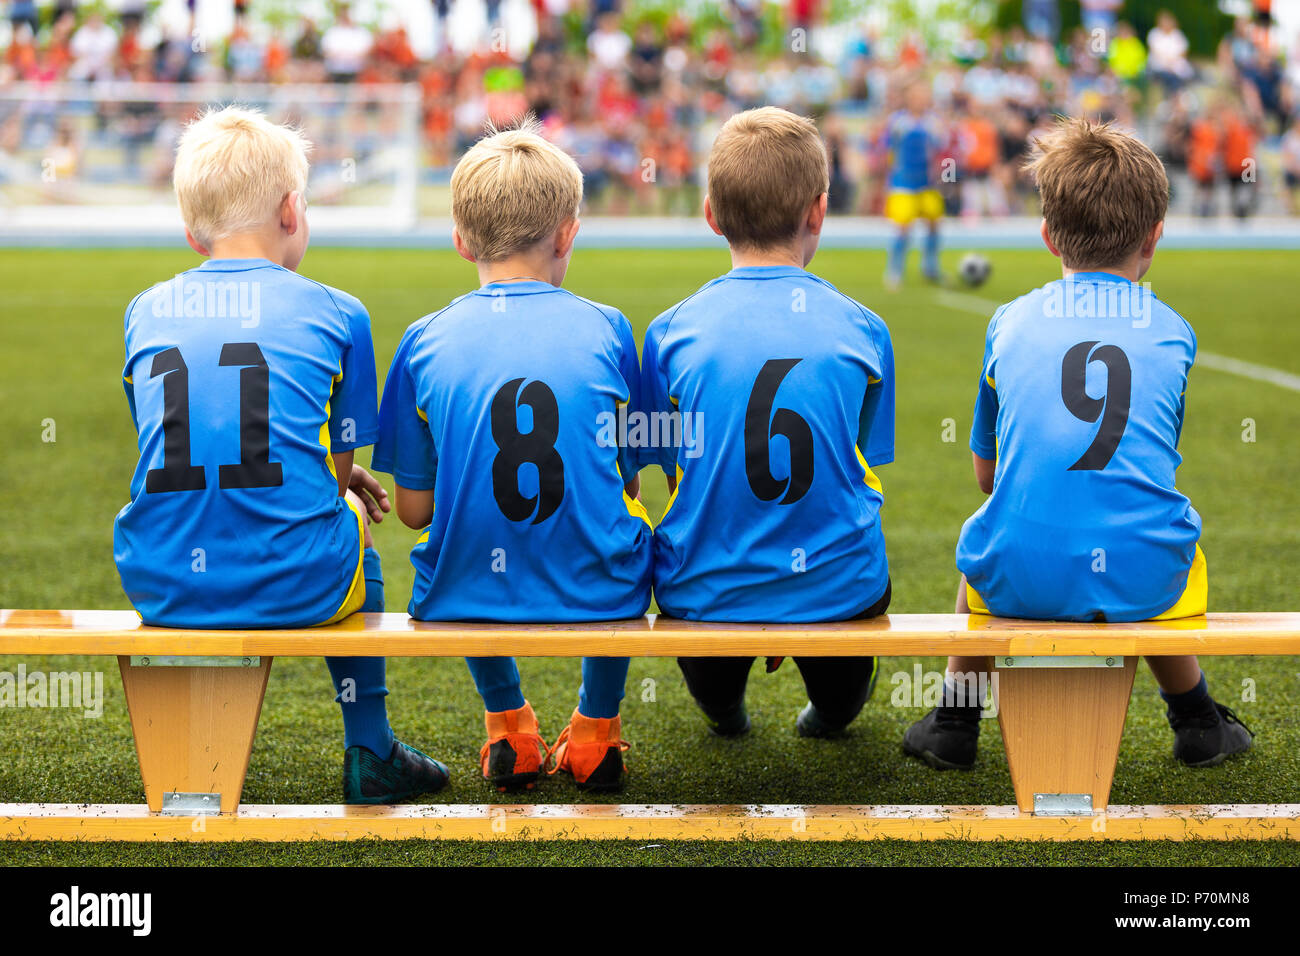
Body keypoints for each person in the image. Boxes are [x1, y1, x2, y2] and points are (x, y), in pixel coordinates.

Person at [113, 106, 449, 804]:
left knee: (214, 517)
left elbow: (168, 436)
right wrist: (340, 472)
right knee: (352, 520)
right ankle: (370, 745)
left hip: (161, 578)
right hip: (297, 580)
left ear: (190, 230)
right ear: (292, 209)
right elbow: (331, 480)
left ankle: (197, 760)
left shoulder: (144, 308)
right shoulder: (338, 309)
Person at [903, 118, 1253, 771]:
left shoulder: (1008, 322)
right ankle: (1197, 719)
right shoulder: (1173, 330)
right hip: (1143, 575)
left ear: (1046, 236)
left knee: (984, 532)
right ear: (1155, 237)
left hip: (1018, 574)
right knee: (1153, 526)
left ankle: (955, 719)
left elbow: (987, 475)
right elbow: (1153, 462)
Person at [372, 121, 652, 793]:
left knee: (456, 538)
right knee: (626, 528)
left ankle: (508, 724)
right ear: (567, 234)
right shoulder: (609, 326)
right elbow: (631, 483)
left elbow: (413, 513)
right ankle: (596, 730)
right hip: (599, 586)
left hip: (465, 590)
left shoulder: (421, 339)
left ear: (460, 240)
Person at [640, 107, 895, 739]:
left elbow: (668, 467)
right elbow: (856, 457)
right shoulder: (864, 329)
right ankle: (827, 711)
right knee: (838, 712)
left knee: (719, 710)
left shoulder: (669, 333)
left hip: (707, 584)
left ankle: (726, 707)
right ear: (818, 211)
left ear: (710, 213)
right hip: (839, 585)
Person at [883, 77, 945, 289]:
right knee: (902, 227)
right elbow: (888, 151)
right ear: (908, 98)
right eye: (917, 95)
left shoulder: (933, 122)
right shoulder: (898, 122)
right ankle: (895, 270)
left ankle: (930, 267)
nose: (921, 99)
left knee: (934, 222)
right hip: (903, 183)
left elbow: (940, 150)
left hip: (927, 183)